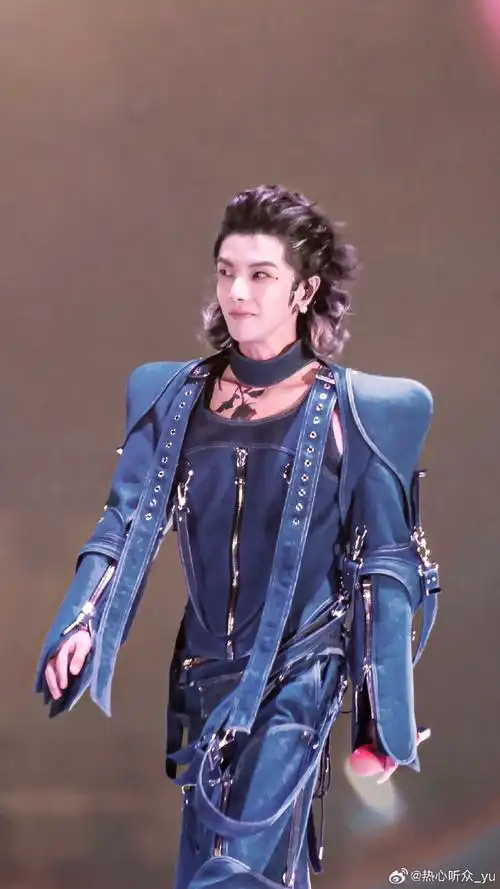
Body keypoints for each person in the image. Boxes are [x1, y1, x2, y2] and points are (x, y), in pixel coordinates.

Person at [34, 185, 440, 889]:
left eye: (261, 274)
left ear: (304, 290)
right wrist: (82, 619)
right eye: (226, 271)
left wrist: (382, 718)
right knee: (217, 869)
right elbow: (125, 519)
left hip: (300, 675)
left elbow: (386, 563)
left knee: (237, 873)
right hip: (203, 678)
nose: (238, 292)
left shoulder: (359, 410)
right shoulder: (172, 396)